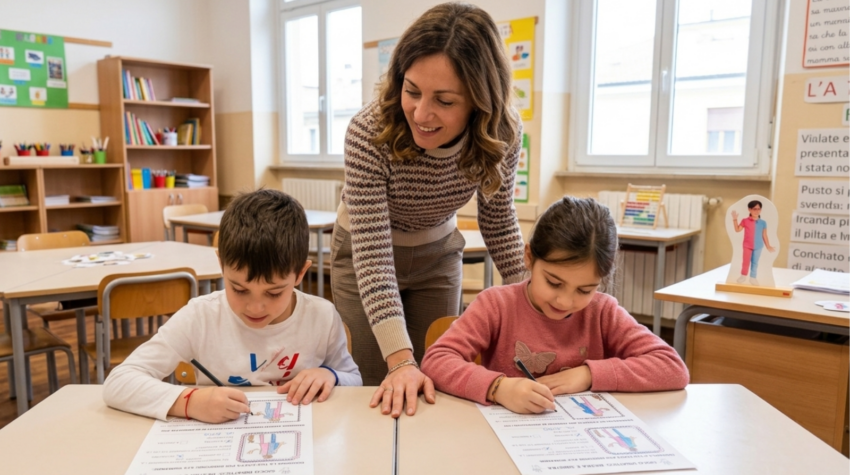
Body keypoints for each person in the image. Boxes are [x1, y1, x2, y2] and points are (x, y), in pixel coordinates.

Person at [331, 2, 526, 418]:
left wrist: (529, 297)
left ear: (480, 99)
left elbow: (499, 222)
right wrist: (399, 362)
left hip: (437, 254)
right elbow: (373, 256)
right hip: (365, 256)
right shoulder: (368, 133)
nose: (422, 113)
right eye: (412, 90)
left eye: (445, 100)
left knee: (439, 376)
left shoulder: (504, 134)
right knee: (376, 383)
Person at [103, 189, 361, 423]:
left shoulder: (322, 316)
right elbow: (119, 382)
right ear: (221, 265)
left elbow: (355, 381)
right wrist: (190, 401)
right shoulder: (201, 316)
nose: (256, 307)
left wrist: (331, 375)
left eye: (274, 292)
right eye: (239, 289)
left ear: (301, 273)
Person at [421, 196, 689, 414]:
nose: (565, 301)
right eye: (553, 282)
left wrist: (588, 374)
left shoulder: (602, 311)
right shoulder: (496, 304)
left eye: (585, 289)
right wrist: (498, 388)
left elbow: (672, 368)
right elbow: (437, 360)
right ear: (529, 257)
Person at [731, 200, 775, 286]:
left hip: (758, 246)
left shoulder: (763, 222)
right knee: (746, 261)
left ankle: (753, 277)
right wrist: (735, 219)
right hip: (747, 245)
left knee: (755, 262)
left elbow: (764, 235)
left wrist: (768, 245)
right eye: (754, 209)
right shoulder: (745, 221)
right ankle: (743, 275)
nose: (757, 211)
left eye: (759, 209)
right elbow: (737, 230)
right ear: (749, 209)